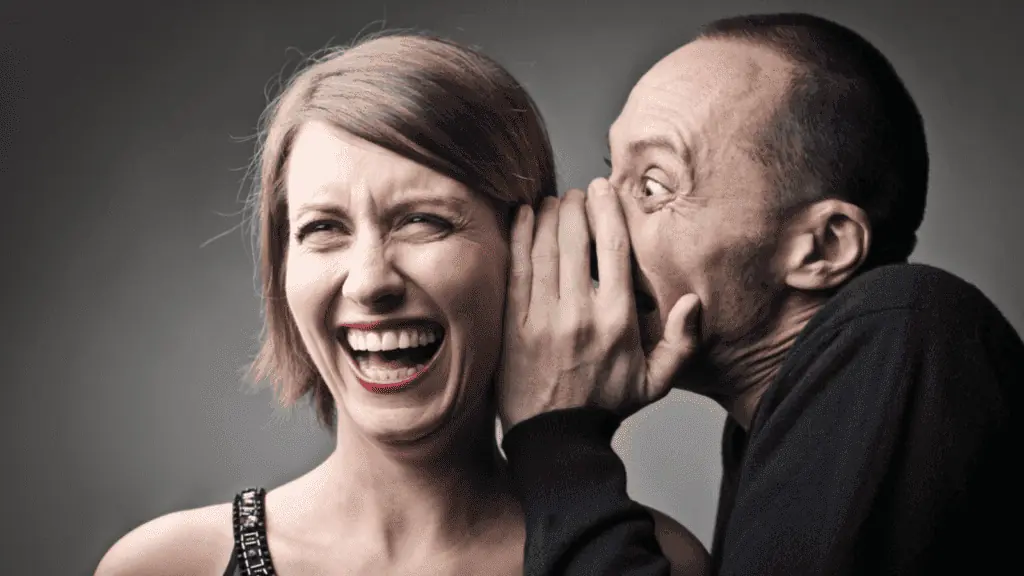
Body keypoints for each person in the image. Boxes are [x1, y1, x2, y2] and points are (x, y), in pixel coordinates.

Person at [93, 33, 708, 576]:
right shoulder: (166, 567)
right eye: (323, 228)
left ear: (529, 254)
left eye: (422, 221)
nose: (369, 282)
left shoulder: (654, 562)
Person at [497, 12, 1021, 576]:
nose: (596, 216)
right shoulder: (766, 424)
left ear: (822, 248)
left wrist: (559, 438)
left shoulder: (909, 326)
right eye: (610, 173)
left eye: (652, 185)